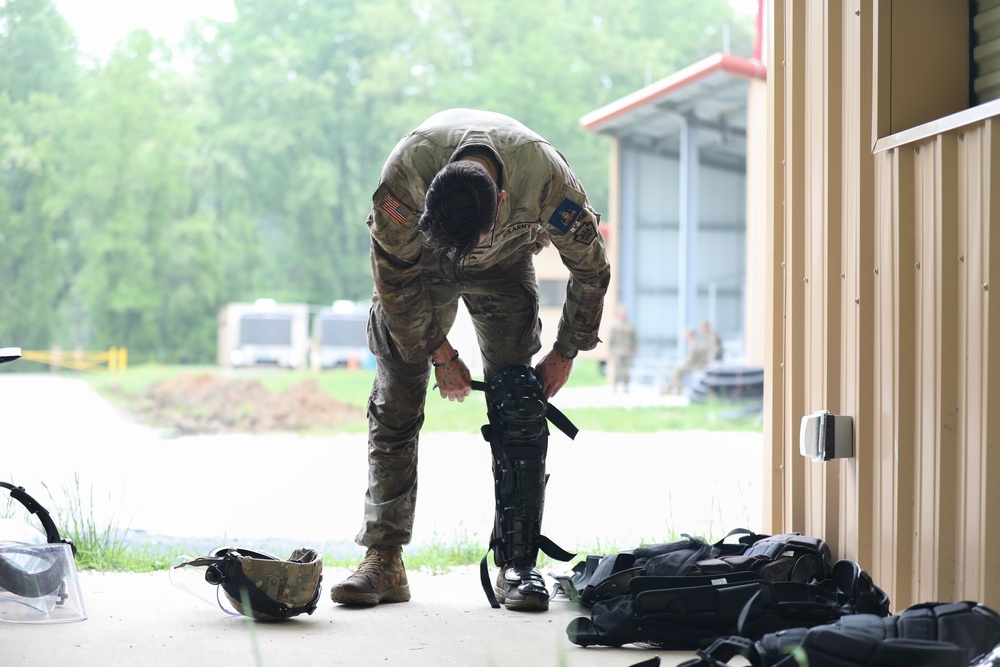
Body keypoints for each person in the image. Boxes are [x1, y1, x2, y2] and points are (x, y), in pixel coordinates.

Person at [331, 109, 611, 612]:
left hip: (504, 264)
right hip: (423, 266)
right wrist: (441, 353)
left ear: (502, 202)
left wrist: (565, 350)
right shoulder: (407, 173)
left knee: (519, 407)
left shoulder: (545, 178)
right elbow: (393, 281)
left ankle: (518, 564)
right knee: (395, 401)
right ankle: (384, 560)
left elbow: (591, 268)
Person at [663, 327, 711, 395]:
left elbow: (691, 359)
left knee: (676, 370)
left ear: (690, 335)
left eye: (686, 335)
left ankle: (677, 388)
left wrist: (684, 365)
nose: (685, 337)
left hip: (695, 366)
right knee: (676, 370)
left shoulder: (694, 344)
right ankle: (670, 389)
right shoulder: (696, 343)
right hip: (695, 365)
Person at [607, 305, 637, 392]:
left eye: (625, 312)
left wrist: (635, 347)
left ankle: (626, 387)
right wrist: (610, 350)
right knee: (617, 370)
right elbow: (611, 338)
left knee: (627, 371)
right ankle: (615, 387)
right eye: (622, 312)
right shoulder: (615, 325)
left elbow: (634, 338)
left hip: (627, 350)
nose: (624, 314)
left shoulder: (630, 325)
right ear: (619, 313)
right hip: (617, 350)